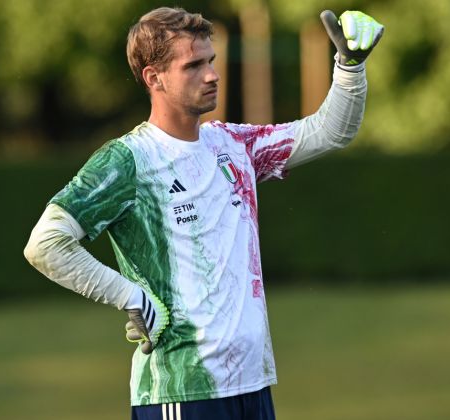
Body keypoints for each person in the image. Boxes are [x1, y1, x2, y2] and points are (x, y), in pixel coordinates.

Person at [24, 6, 383, 420]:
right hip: (182, 391)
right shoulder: (128, 160)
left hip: (253, 383)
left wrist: (350, 68)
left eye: (210, 61)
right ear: (153, 78)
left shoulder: (233, 145)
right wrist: (131, 297)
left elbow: (330, 131)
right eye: (193, 65)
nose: (212, 74)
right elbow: (46, 244)